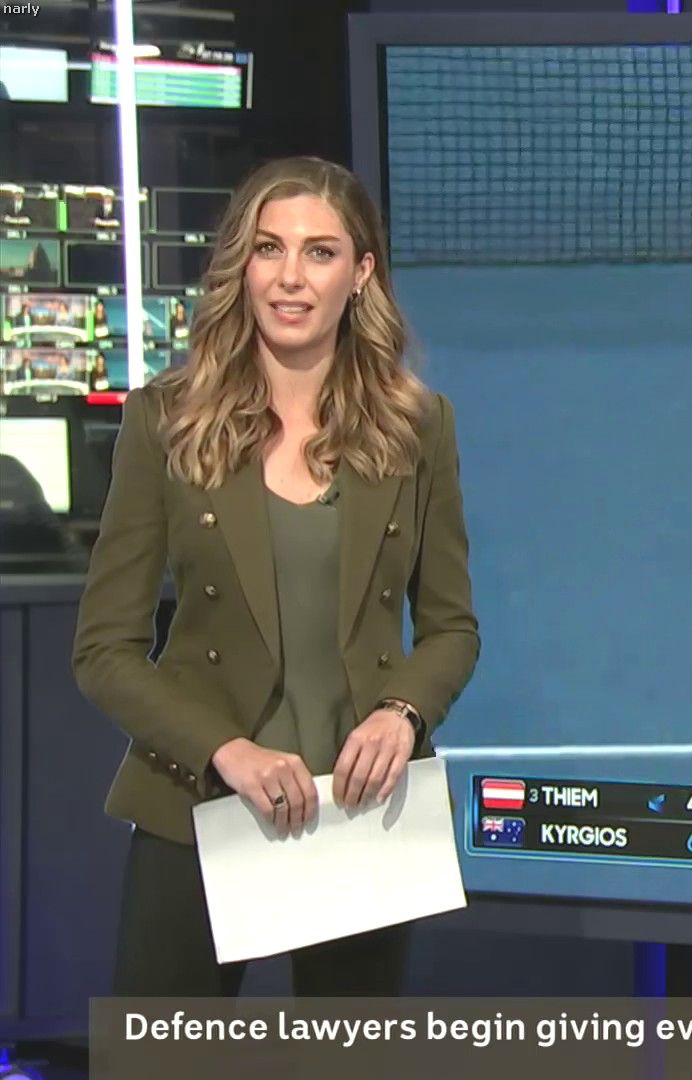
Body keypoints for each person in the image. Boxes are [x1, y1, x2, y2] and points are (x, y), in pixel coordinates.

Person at [71, 156, 480, 996]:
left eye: (319, 252)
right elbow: (104, 651)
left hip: (360, 815)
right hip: (197, 806)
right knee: (161, 1055)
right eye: (269, 249)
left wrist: (402, 714)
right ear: (243, 265)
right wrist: (226, 751)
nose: (290, 278)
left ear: (360, 274)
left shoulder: (418, 427)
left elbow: (451, 629)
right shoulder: (166, 422)